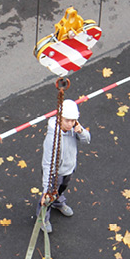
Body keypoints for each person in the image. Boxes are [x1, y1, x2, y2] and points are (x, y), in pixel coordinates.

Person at [38, 98, 91, 233]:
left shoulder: (74, 128)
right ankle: (43, 216)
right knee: (48, 197)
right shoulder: (52, 138)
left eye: (73, 121)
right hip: (56, 174)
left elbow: (87, 140)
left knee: (61, 190)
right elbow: (47, 163)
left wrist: (81, 131)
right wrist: (45, 189)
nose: (70, 124)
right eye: (67, 120)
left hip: (69, 169)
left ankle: (58, 202)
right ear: (60, 118)